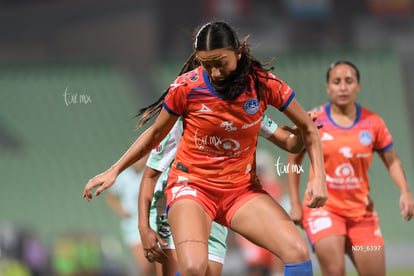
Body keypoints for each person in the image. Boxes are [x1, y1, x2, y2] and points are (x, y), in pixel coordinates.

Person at [83, 21, 328, 276]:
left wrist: (318, 176)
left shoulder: (263, 85)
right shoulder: (186, 88)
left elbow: (306, 131)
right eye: (206, 64)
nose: (215, 72)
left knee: (297, 251)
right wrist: (115, 171)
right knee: (193, 267)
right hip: (192, 188)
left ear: (239, 52)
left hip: (239, 191)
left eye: (220, 62)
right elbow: (155, 133)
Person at [138, 113, 313, 276]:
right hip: (182, 199)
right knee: (190, 268)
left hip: (222, 202)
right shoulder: (184, 116)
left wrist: (302, 134)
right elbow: (149, 173)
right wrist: (144, 227)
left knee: (297, 250)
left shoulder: (249, 107)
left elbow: (291, 143)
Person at [286, 61, 414, 276]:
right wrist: (295, 203)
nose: (343, 87)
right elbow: (293, 160)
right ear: (328, 88)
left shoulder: (373, 123)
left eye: (349, 81)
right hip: (323, 211)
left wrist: (405, 192)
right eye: (336, 82)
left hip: (361, 215)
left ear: (358, 86)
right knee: (334, 271)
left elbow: (392, 161)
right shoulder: (313, 120)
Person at [105, 156, 156, 276]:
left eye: (143, 158)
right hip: (133, 226)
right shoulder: (124, 176)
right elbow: (110, 196)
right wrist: (121, 210)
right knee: (145, 264)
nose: (140, 161)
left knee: (156, 264)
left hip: (152, 224)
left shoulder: (151, 175)